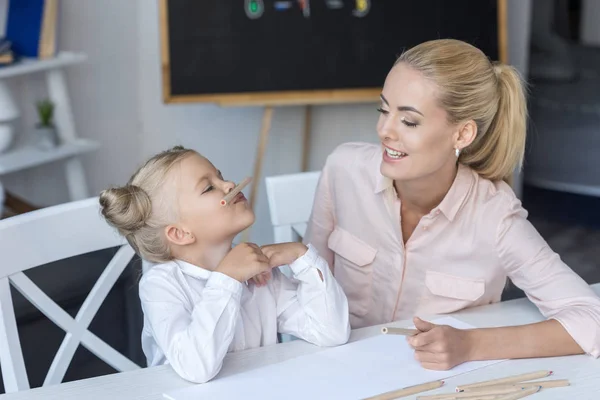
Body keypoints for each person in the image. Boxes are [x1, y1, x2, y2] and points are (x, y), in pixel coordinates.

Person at [303, 39, 600, 370]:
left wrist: (470, 345)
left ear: (462, 135)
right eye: (384, 110)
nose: (384, 130)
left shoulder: (495, 218)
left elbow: (592, 320)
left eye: (409, 121)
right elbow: (308, 291)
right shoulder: (343, 170)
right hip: (336, 373)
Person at [99, 146, 350, 383]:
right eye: (209, 188)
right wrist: (227, 278)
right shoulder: (161, 285)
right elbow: (196, 367)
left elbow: (331, 332)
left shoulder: (258, 271)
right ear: (180, 234)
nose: (229, 185)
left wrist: (303, 257)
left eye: (220, 177)